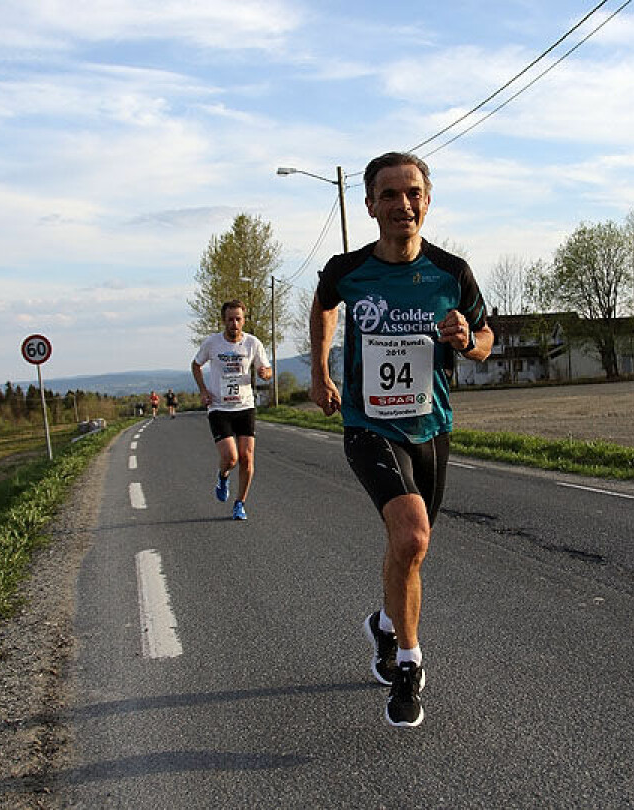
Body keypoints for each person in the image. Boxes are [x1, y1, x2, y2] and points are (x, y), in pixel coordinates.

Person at [310, 152, 493, 727]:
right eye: (388, 195)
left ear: (427, 200)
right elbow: (324, 305)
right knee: (411, 534)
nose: (402, 204)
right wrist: (320, 371)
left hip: (431, 428)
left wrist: (467, 340)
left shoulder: (451, 272)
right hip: (368, 426)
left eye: (412, 192)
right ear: (370, 206)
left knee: (412, 548)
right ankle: (409, 666)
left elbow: (487, 338)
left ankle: (385, 626)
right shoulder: (348, 270)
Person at [192, 300, 273, 521]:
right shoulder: (212, 343)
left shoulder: (252, 344)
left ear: (243, 320)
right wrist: (203, 390)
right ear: (223, 320)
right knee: (230, 457)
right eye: (230, 319)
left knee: (247, 457)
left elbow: (265, 368)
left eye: (238, 319)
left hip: (245, 406)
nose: (234, 323)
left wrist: (265, 373)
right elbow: (196, 364)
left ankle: (240, 503)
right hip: (219, 407)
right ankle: (223, 476)